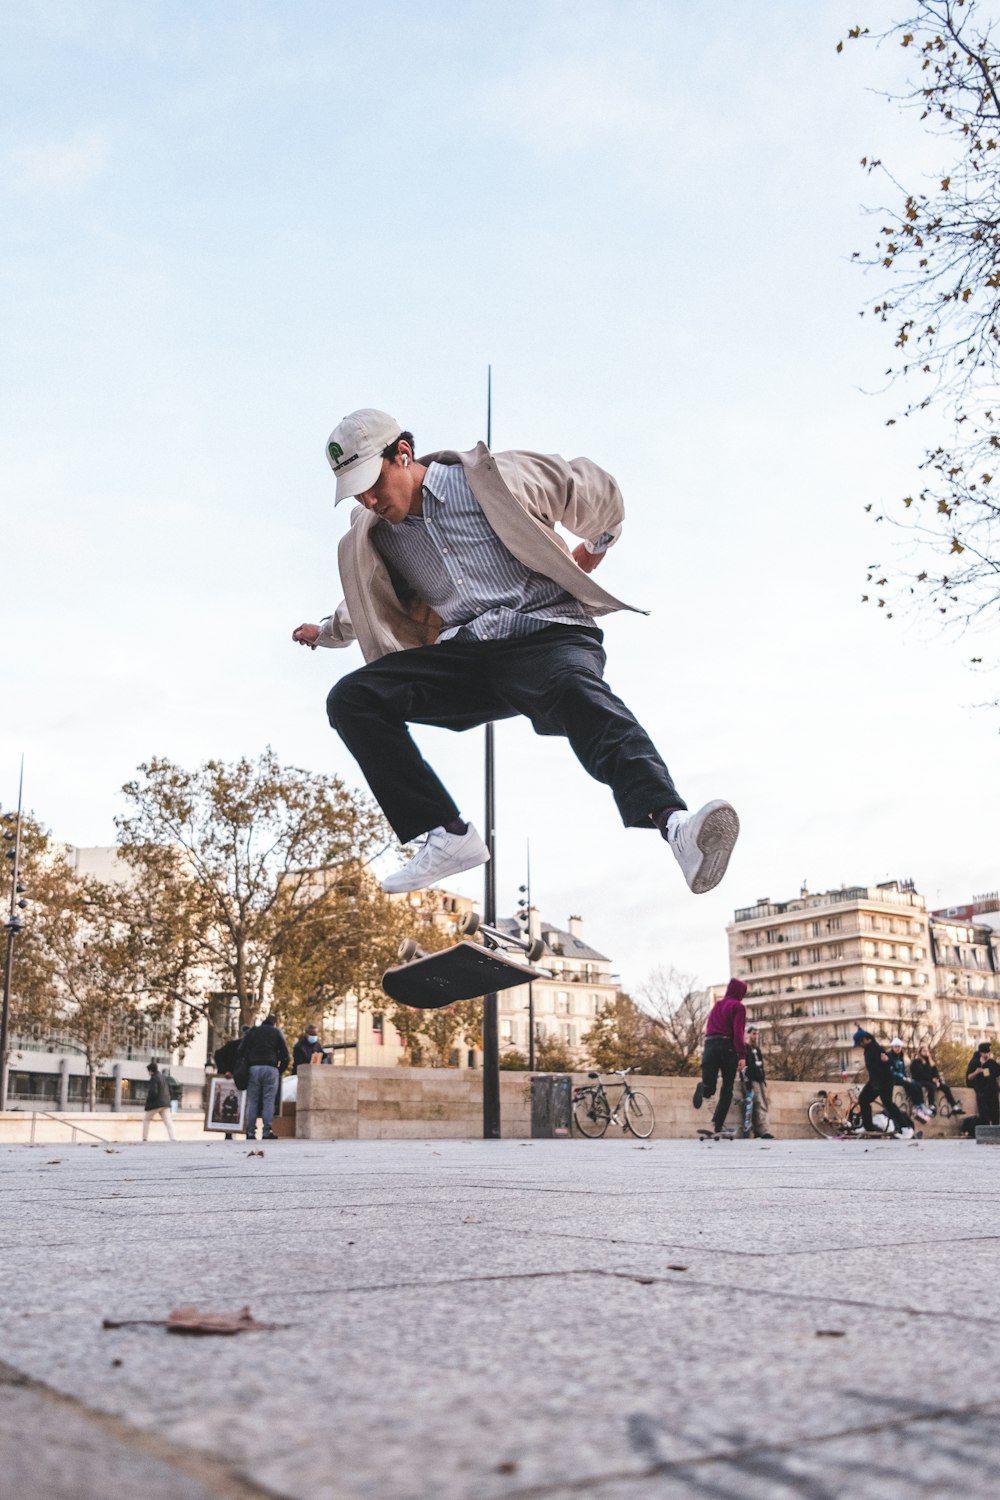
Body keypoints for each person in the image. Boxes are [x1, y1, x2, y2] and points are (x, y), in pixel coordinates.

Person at [292, 410, 740, 897]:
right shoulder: (373, 533)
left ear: (402, 454)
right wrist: (326, 632)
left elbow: (591, 489)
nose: (369, 500)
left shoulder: (492, 478)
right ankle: (447, 835)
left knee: (577, 693)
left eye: (373, 483)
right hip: (467, 657)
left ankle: (677, 827)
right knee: (353, 699)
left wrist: (592, 549)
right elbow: (363, 599)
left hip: (546, 634)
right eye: (356, 492)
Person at [693, 978, 747, 1135]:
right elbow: (738, 1033)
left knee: (710, 1087)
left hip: (709, 1045)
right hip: (727, 1046)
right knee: (727, 1089)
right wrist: (742, 1055)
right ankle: (717, 1125)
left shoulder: (717, 1005)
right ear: (740, 993)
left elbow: (708, 1027)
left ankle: (703, 1089)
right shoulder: (738, 1007)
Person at [853, 1028, 913, 1138]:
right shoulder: (869, 1046)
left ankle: (906, 1128)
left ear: (866, 1039)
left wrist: (887, 1060)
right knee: (863, 1099)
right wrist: (859, 1028)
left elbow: (891, 1063)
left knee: (888, 1104)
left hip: (885, 1081)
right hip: (874, 1081)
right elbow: (868, 1035)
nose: (860, 1045)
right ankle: (868, 1126)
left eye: (860, 1042)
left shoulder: (876, 1048)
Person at [239, 1015, 290, 1142]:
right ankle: (267, 1132)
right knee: (268, 1101)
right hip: (271, 1067)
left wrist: (247, 1062)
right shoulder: (276, 1032)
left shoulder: (253, 1031)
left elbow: (241, 1050)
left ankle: (250, 1132)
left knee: (253, 1101)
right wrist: (279, 1070)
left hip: (254, 1068)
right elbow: (285, 1054)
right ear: (275, 1023)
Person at [213, 1025, 250, 1140]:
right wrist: (225, 1071)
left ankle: (232, 1131)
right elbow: (218, 1054)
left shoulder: (235, 1045)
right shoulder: (238, 1046)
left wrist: (225, 1071)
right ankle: (245, 1131)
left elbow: (218, 1054)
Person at [909, 1043, 964, 1117]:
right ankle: (931, 1105)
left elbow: (935, 1072)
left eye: (927, 1051)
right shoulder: (916, 1062)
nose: (926, 1053)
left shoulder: (931, 1062)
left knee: (945, 1087)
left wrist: (937, 1079)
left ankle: (954, 1105)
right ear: (920, 1052)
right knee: (931, 1087)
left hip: (932, 1081)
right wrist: (932, 1080)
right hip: (920, 1081)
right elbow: (919, 1074)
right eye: (924, 1051)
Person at [741, 1025, 774, 1138]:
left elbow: (761, 1065)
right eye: (753, 1034)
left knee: (762, 1104)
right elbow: (743, 1066)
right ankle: (762, 1131)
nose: (755, 1036)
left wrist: (763, 1078)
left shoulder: (757, 1049)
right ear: (748, 1034)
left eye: (757, 1034)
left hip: (759, 1079)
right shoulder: (744, 1048)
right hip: (751, 1080)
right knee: (757, 1104)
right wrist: (747, 1082)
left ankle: (761, 1130)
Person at [887, 1038, 929, 1121]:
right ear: (892, 1047)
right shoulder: (889, 1056)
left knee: (916, 1084)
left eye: (899, 1047)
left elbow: (903, 1070)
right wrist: (903, 1077)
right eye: (896, 1047)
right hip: (893, 1079)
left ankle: (921, 1104)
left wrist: (907, 1077)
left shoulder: (900, 1057)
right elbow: (891, 1071)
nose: (898, 1048)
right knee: (910, 1084)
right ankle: (917, 1106)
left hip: (902, 1077)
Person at [966, 1041, 1000, 1126]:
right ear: (981, 1053)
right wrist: (976, 1072)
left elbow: (998, 1077)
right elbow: (969, 1077)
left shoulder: (992, 1063)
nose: (987, 1055)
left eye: (988, 1053)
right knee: (984, 1115)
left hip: (992, 1091)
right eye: (985, 1053)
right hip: (982, 1092)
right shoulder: (975, 1062)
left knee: (995, 1113)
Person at [142, 1061, 176, 1142]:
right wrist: (168, 1099)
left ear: (151, 1071)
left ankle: (144, 1138)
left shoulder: (154, 1078)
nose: (148, 1073)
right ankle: (173, 1138)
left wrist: (148, 1103)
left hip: (157, 1103)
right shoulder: (163, 1077)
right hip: (166, 1103)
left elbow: (153, 1092)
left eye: (148, 1071)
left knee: (146, 1119)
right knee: (168, 1122)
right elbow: (170, 1090)